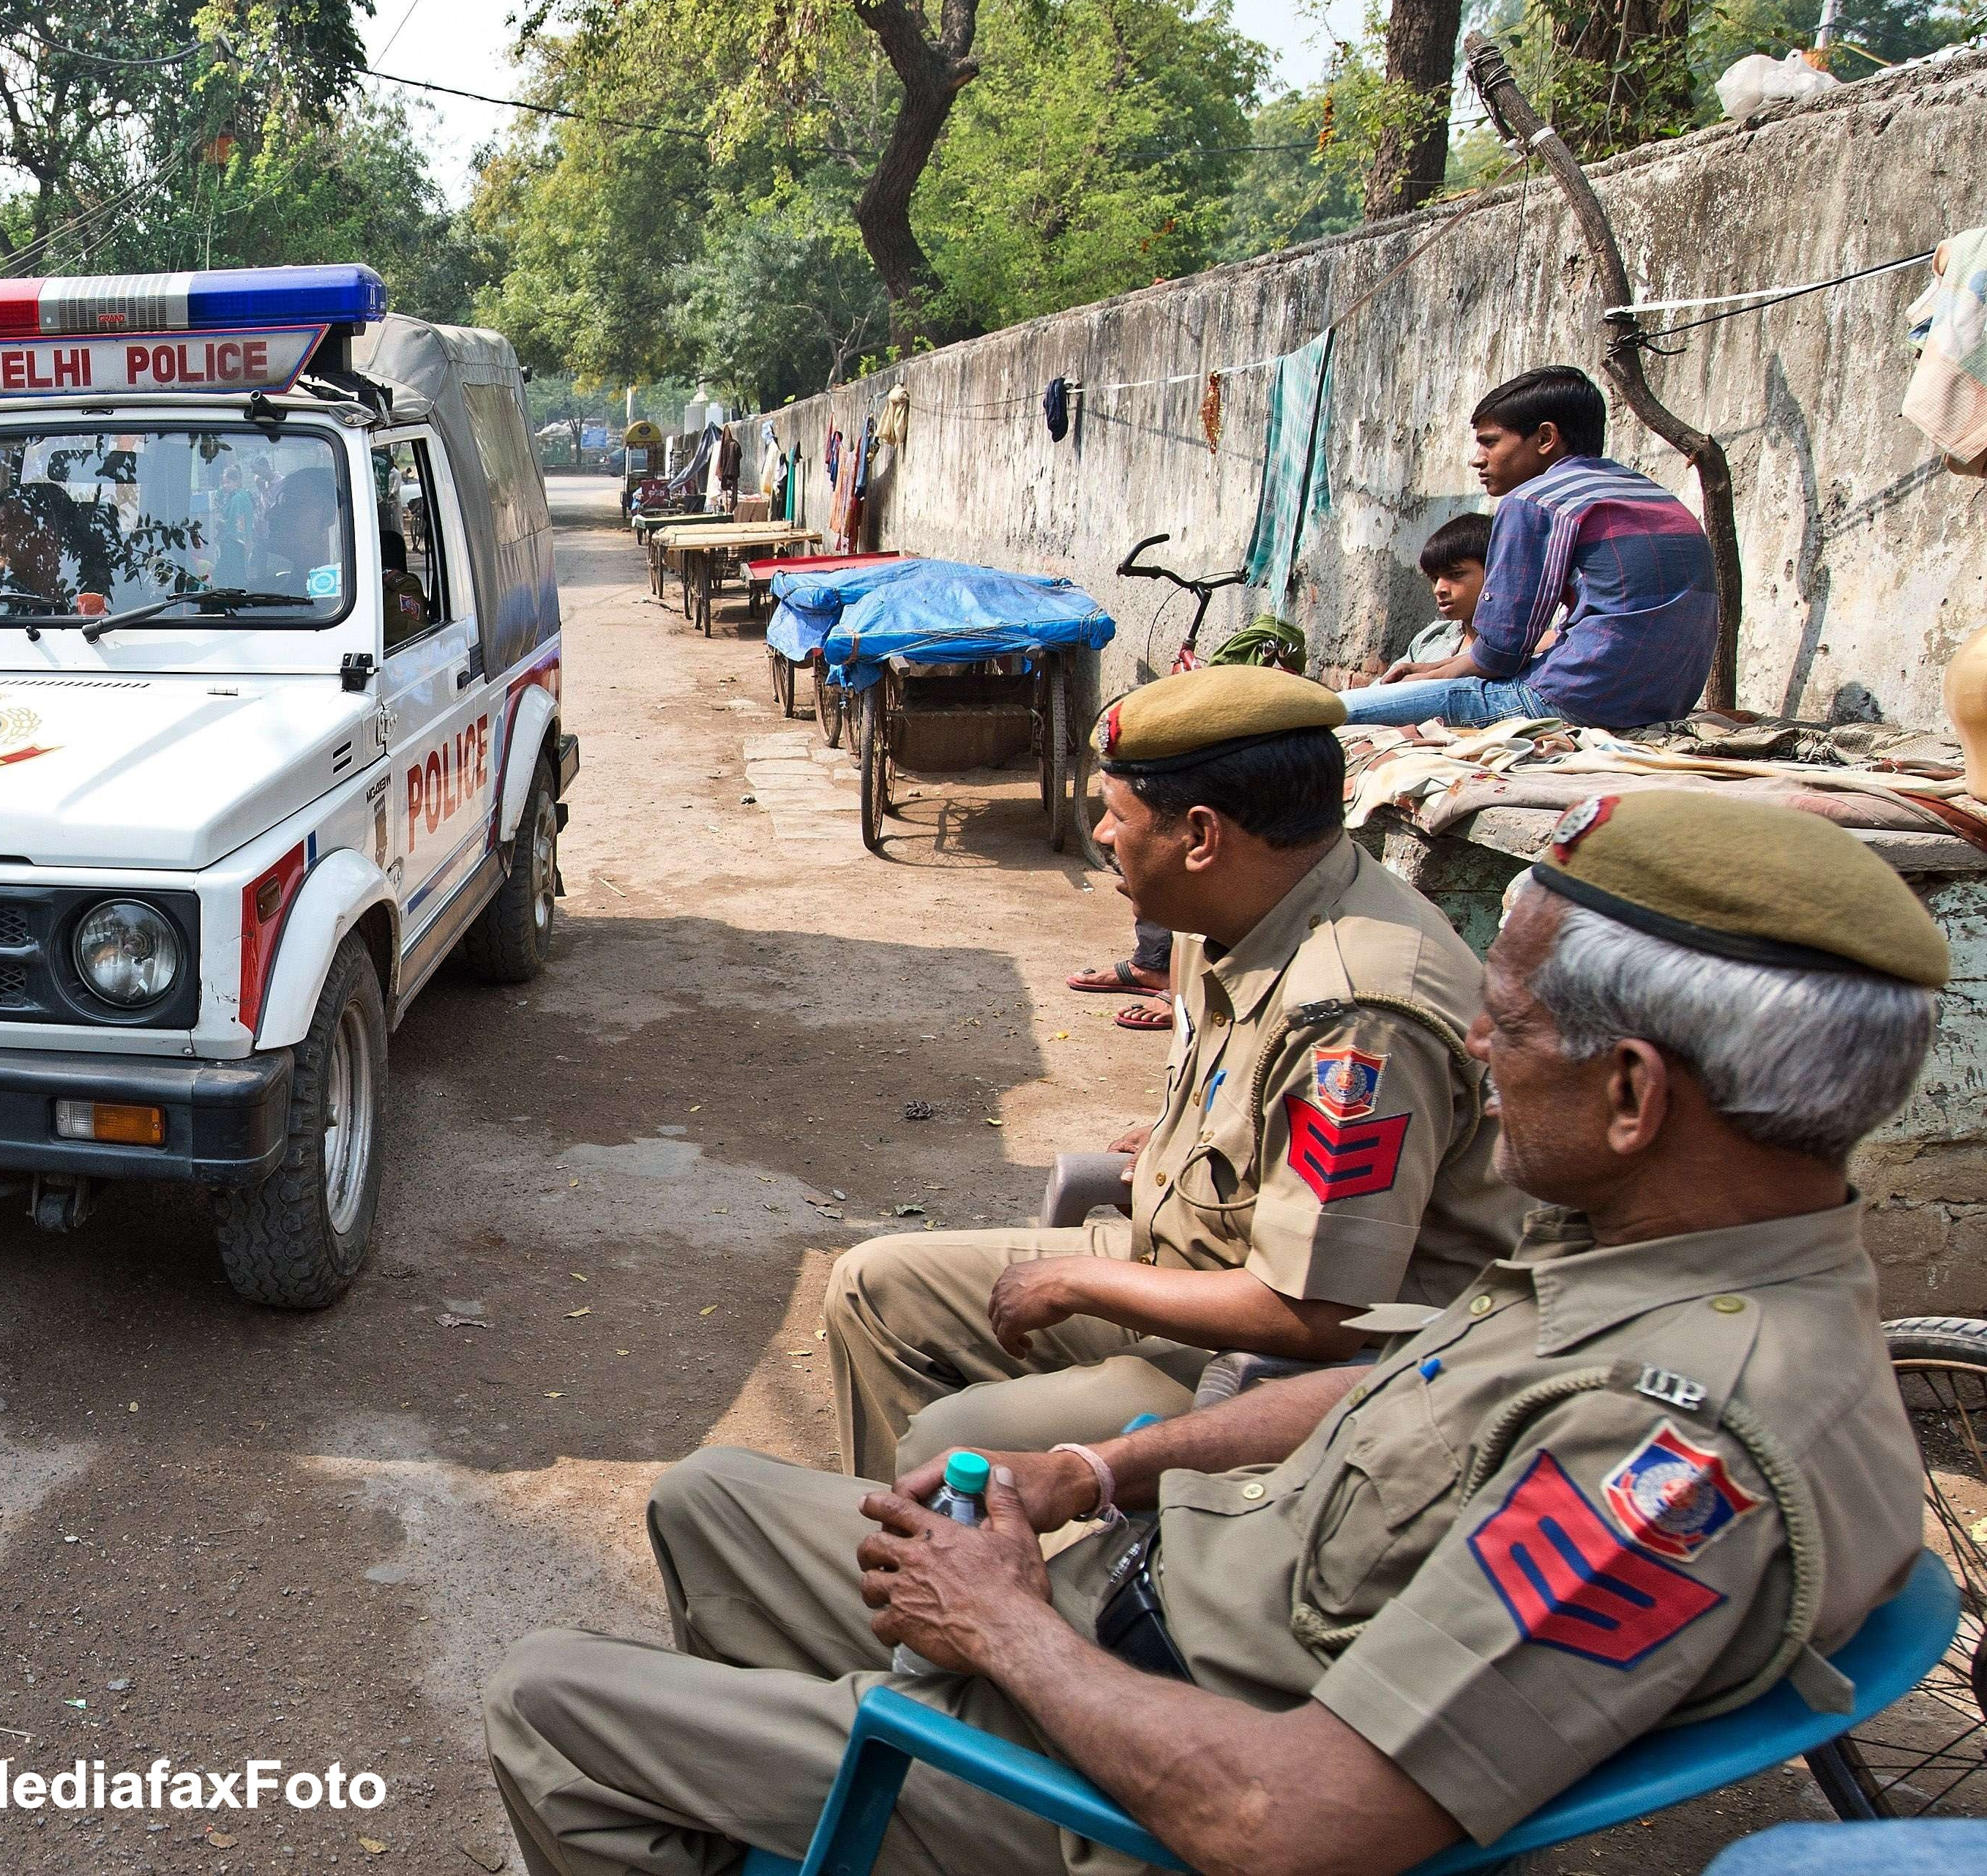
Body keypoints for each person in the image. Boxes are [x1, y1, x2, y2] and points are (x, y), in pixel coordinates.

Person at [485, 790, 1943, 1876]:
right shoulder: (1646, 1253)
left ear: (1631, 1096)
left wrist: (996, 1622)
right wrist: (1092, 1472)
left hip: (1123, 1790)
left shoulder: (1674, 1450)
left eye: (1503, 1025)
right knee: (711, 1498)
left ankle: (858, 1778)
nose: (1474, 1053)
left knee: (547, 1700)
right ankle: (817, 1778)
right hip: (1109, 1623)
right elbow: (1403, 1392)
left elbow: (1284, 1822)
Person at [824, 666, 1524, 1481]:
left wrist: (1081, 1279)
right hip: (1185, 1265)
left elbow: (1320, 1313)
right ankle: (886, 1564)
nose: (1103, 836)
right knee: (873, 1285)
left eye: (1117, 817)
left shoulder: (1353, 1017)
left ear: (1200, 837)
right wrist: (1169, 1142)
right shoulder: (1226, 913)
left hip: (1312, 1364)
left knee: (956, 1439)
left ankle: (978, 1564)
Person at [1338, 367, 1718, 730]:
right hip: (1667, 700)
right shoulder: (1655, 496)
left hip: (1579, 699)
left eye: (1490, 442)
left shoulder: (1534, 500)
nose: (1478, 459)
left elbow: (1503, 650)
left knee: (1339, 710)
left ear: (1545, 438)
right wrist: (1443, 668)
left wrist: (1440, 674)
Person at [1377, 511, 1492, 684]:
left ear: (1493, 572)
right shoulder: (1431, 637)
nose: (1439, 589)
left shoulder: (1520, 648)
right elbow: (1376, 693)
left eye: (1455, 574)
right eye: (1434, 579)